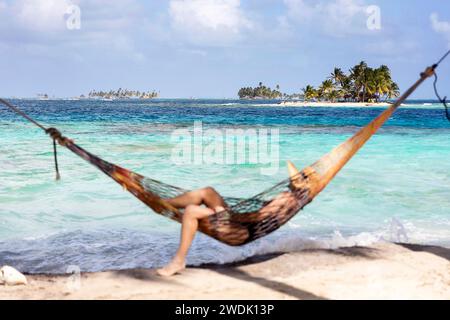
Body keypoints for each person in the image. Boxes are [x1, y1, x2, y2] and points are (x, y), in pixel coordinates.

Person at [156, 186, 299, 277]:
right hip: (236, 221)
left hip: (241, 231)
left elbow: (256, 217)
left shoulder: (289, 198)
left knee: (191, 211)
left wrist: (226, 215)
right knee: (207, 191)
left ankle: (178, 261)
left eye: (300, 178)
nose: (292, 181)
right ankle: (163, 203)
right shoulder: (287, 194)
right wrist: (226, 213)